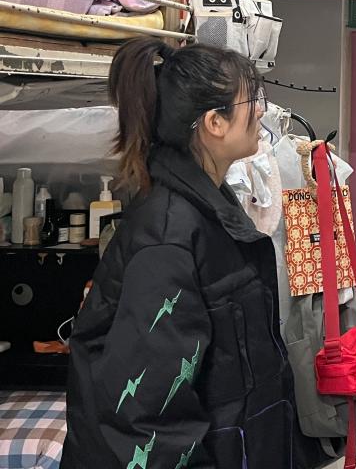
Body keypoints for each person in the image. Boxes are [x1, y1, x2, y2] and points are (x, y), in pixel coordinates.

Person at [64, 39, 327, 469]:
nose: (261, 111)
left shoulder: (211, 208)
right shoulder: (169, 236)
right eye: (252, 99)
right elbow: (147, 413)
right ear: (214, 122)